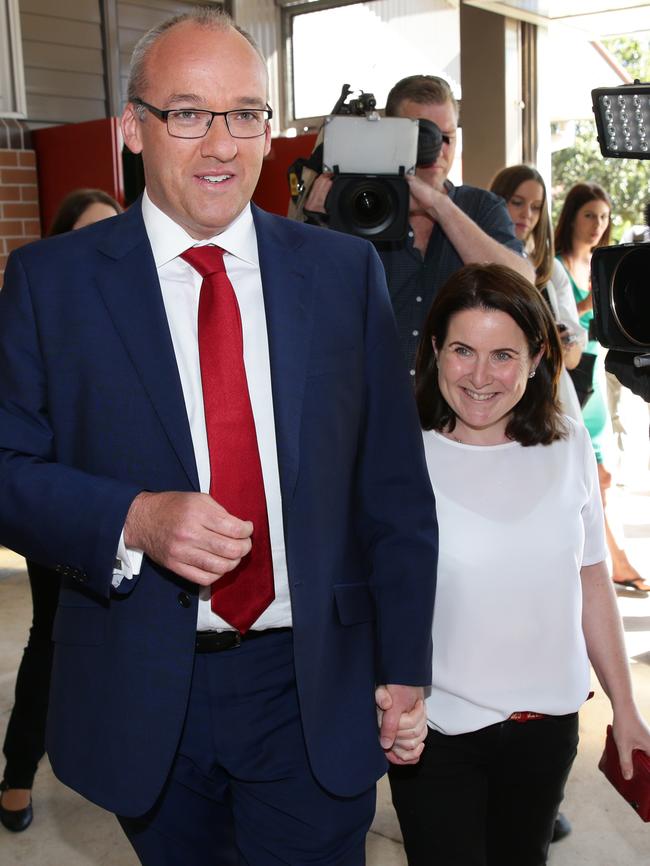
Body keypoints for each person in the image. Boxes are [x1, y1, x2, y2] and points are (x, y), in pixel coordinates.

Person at [0, 9, 438, 866]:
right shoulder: (52, 284)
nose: (221, 143)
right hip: (144, 687)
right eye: (188, 112)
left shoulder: (341, 274)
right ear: (133, 127)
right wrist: (133, 518)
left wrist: (406, 661)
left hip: (310, 680)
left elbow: (393, 489)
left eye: (245, 114)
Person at [387, 263, 650, 866]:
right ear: (434, 350)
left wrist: (625, 707)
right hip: (435, 732)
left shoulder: (567, 445)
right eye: (462, 350)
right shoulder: (400, 451)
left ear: (536, 358)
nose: (481, 376)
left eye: (502, 354)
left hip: (546, 727)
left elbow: (591, 576)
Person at [0, 188, 122, 834]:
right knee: (51, 638)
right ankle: (18, 769)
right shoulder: (39, 307)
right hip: (60, 510)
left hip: (133, 516)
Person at [300, 75, 533, 371]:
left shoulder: (481, 208)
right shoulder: (358, 206)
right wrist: (316, 227)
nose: (438, 149)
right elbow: (308, 307)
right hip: (375, 402)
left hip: (461, 405)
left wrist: (439, 206)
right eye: (424, 136)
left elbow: (523, 283)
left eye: (447, 137)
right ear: (391, 134)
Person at [555, 183, 649, 593]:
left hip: (603, 376)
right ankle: (609, 562)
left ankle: (611, 561)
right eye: (590, 215)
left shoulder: (616, 264)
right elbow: (562, 318)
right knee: (589, 475)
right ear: (573, 217)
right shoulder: (558, 265)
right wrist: (597, 300)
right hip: (573, 380)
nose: (598, 225)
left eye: (605, 217)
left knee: (606, 474)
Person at [490, 164, 585, 422]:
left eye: (536, 207)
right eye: (517, 202)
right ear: (495, 202)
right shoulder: (474, 263)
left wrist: (560, 343)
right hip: (493, 396)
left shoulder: (550, 270)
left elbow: (574, 357)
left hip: (550, 400)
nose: (526, 215)